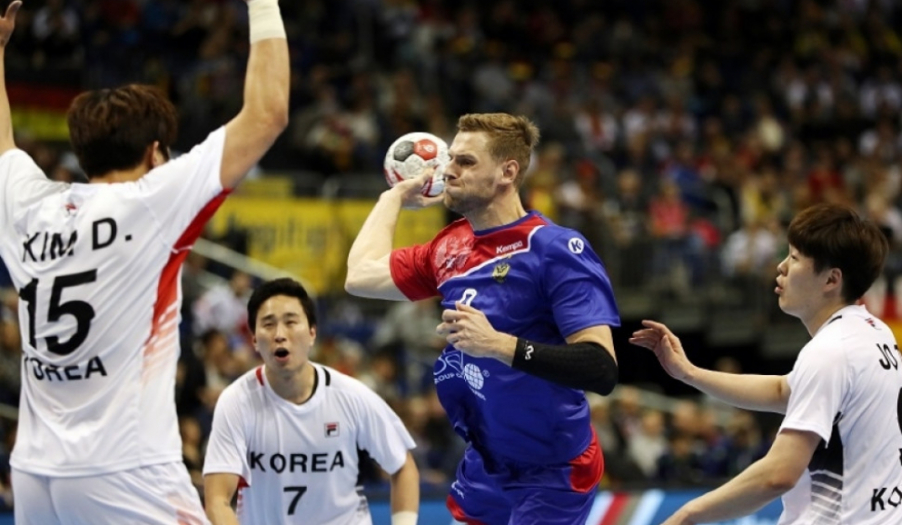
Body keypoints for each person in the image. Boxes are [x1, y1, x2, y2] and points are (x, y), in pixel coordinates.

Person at [0, 0, 290, 522]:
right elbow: (267, 114)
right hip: (126, 470)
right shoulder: (152, 201)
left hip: (35, 471)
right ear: (156, 152)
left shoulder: (29, 207)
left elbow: (2, 144)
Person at [345, 113, 621, 524]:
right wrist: (394, 197)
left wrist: (497, 344)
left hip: (553, 471)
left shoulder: (555, 249)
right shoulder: (450, 246)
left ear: (507, 172)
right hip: (485, 462)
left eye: (466, 162)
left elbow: (601, 368)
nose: (448, 171)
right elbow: (359, 275)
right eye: (450, 159)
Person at [631, 203, 902, 525]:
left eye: (794, 258)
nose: (781, 266)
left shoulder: (831, 352)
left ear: (831, 279)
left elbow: (779, 474)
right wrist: (689, 372)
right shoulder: (873, 333)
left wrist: (688, 514)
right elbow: (784, 390)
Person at [202, 278, 420, 525]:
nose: (280, 335)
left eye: (291, 322)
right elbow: (217, 500)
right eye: (268, 324)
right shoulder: (236, 401)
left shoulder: (351, 396)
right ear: (253, 340)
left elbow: (402, 466)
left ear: (312, 333)